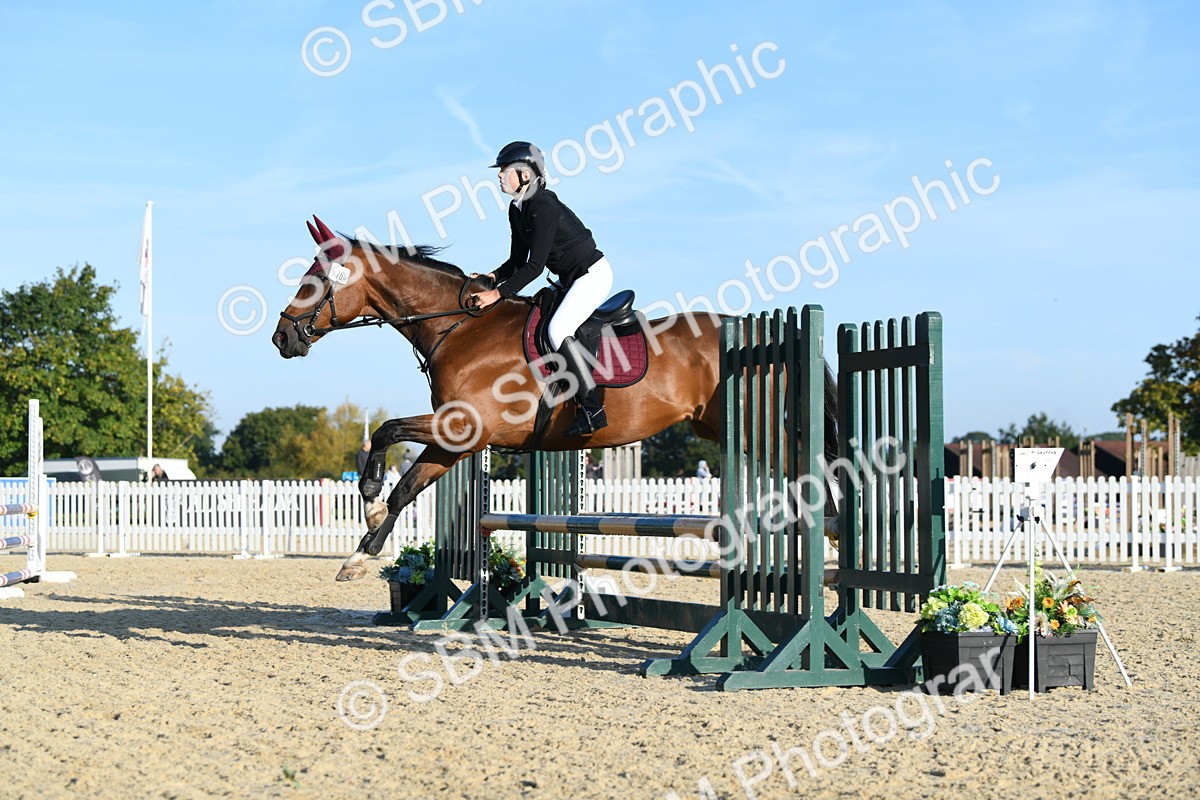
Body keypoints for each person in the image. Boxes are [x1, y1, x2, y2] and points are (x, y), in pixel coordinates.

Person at [468, 141, 614, 437]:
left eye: (504, 170)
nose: (498, 176)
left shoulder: (544, 204)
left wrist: (497, 295)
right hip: (568, 279)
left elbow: (534, 268)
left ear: (524, 174)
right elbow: (517, 260)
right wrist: (493, 276)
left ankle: (592, 408)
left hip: (591, 275)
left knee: (557, 330)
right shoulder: (517, 209)